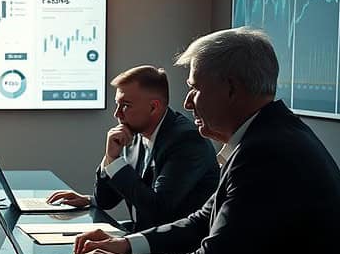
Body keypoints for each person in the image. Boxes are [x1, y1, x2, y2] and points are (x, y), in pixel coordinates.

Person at [59, 28, 340, 254]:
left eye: (195, 88)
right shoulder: (268, 137)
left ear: (231, 89)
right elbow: (202, 220)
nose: (188, 103)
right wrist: (124, 246)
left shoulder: (267, 152)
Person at [46, 65, 219, 231]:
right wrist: (108, 160)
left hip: (176, 249)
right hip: (143, 235)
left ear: (153, 107)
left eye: (126, 105)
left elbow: (157, 210)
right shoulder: (134, 134)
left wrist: (114, 162)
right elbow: (106, 200)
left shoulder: (186, 141)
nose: (117, 114)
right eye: (117, 104)